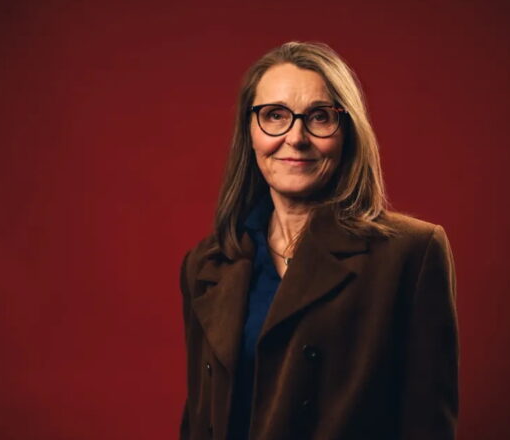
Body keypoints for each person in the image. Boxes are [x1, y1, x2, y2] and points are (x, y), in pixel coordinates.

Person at [178, 41, 458, 440]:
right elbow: (198, 420)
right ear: (249, 131)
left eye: (320, 117)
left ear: (348, 131)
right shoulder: (206, 264)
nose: (296, 137)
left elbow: (427, 426)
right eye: (275, 115)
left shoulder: (411, 253)